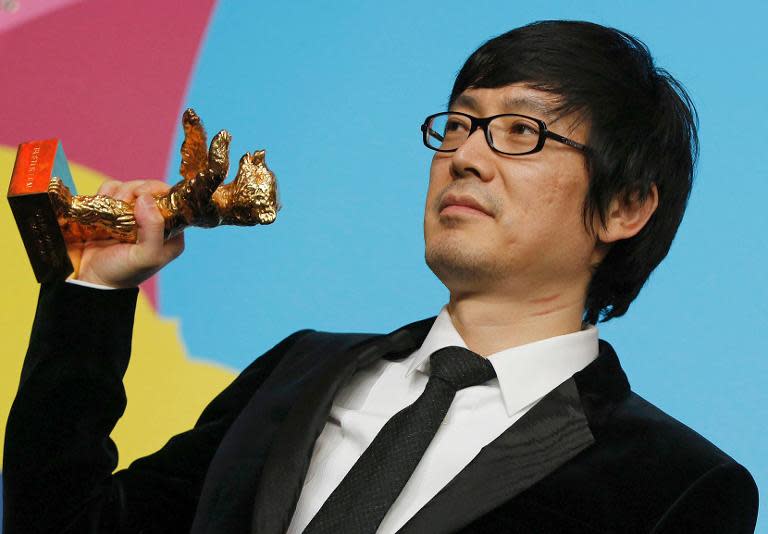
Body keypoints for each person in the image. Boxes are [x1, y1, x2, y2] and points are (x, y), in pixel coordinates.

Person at [3, 20, 759, 534]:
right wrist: (95, 291)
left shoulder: (679, 487)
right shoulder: (297, 373)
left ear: (625, 207)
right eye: (458, 124)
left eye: (522, 132)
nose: (465, 155)